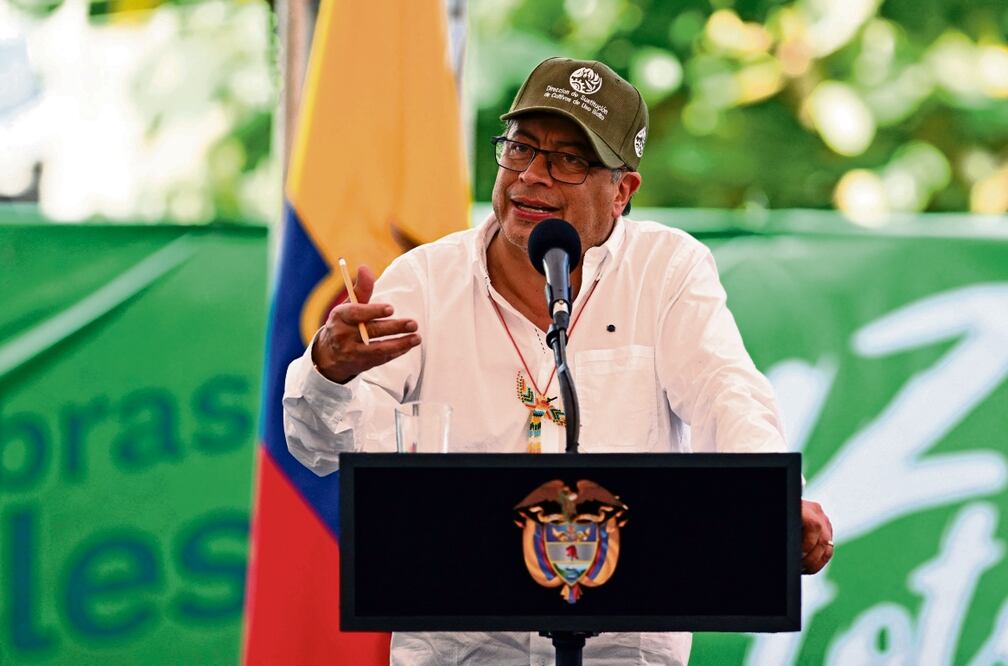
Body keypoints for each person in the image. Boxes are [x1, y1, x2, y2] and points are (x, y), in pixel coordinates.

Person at [284, 57, 833, 665]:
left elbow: (724, 393)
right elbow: (324, 449)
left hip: (621, 648)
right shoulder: (423, 280)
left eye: (570, 160)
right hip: (462, 649)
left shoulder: (665, 269)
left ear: (623, 190)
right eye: (520, 147)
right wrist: (330, 373)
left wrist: (772, 500)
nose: (532, 176)